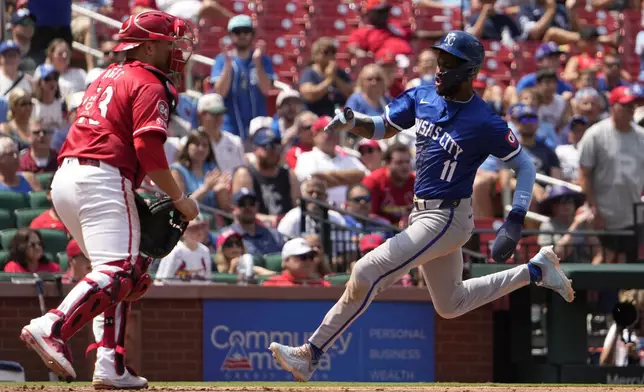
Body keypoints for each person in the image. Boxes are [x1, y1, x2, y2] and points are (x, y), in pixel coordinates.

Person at [268, 31, 574, 382]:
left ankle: (311, 352)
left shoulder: (483, 120)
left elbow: (525, 165)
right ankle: (535, 271)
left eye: (448, 64)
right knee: (451, 304)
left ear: (469, 71)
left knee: (366, 273)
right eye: (439, 61)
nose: (439, 69)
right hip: (424, 212)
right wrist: (354, 123)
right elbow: (384, 127)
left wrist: (516, 218)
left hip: (447, 216)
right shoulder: (424, 94)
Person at [19, 10, 200, 389]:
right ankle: (51, 326)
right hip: (102, 176)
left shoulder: (106, 76)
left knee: (121, 278)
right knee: (121, 271)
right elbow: (148, 148)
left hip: (68, 177)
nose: (176, 51)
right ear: (149, 47)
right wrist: (179, 197)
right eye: (169, 44)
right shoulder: (150, 81)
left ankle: (110, 364)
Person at [578, 86, 644, 264]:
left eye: (633, 106)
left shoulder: (641, 136)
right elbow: (584, 174)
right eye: (625, 106)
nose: (630, 110)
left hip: (633, 215)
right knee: (602, 262)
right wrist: (594, 208)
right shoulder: (596, 134)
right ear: (613, 106)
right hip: (603, 215)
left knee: (629, 266)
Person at [210, 14, 275, 140]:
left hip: (259, 129)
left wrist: (257, 62)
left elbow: (266, 89)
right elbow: (220, 92)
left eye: (246, 31)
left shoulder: (263, 60)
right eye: (237, 32)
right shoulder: (221, 60)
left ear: (252, 34)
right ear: (230, 35)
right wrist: (228, 64)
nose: (242, 35)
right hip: (230, 129)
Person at [298, 37, 353, 117]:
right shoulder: (309, 73)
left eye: (333, 52)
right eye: (326, 53)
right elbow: (309, 95)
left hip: (339, 117)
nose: (330, 56)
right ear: (315, 55)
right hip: (315, 117)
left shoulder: (339, 73)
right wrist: (329, 80)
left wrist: (335, 78)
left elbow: (351, 93)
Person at [155, 214, 212, 283]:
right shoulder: (175, 251)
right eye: (194, 229)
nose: (199, 232)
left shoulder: (205, 251)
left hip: (198, 293)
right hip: (176, 292)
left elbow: (207, 281)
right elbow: (161, 281)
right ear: (184, 231)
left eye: (201, 228)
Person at [262, 237, 330, 287]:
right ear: (286, 260)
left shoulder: (323, 285)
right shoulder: (272, 285)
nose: (308, 261)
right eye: (303, 257)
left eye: (311, 256)